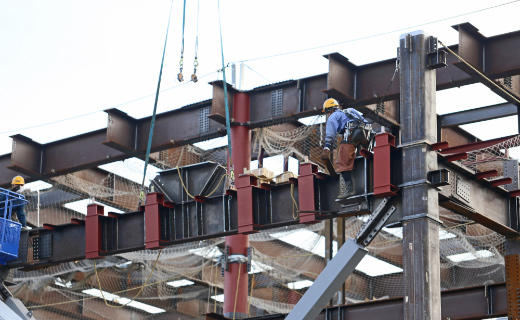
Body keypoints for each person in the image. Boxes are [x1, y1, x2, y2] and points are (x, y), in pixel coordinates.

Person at [321, 98, 368, 199]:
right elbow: (365, 122)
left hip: (351, 136)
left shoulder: (333, 117)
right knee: (367, 154)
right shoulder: (350, 111)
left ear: (329, 110)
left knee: (342, 161)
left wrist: (327, 147)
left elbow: (330, 134)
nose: (327, 115)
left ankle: (349, 189)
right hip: (364, 135)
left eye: (326, 112)